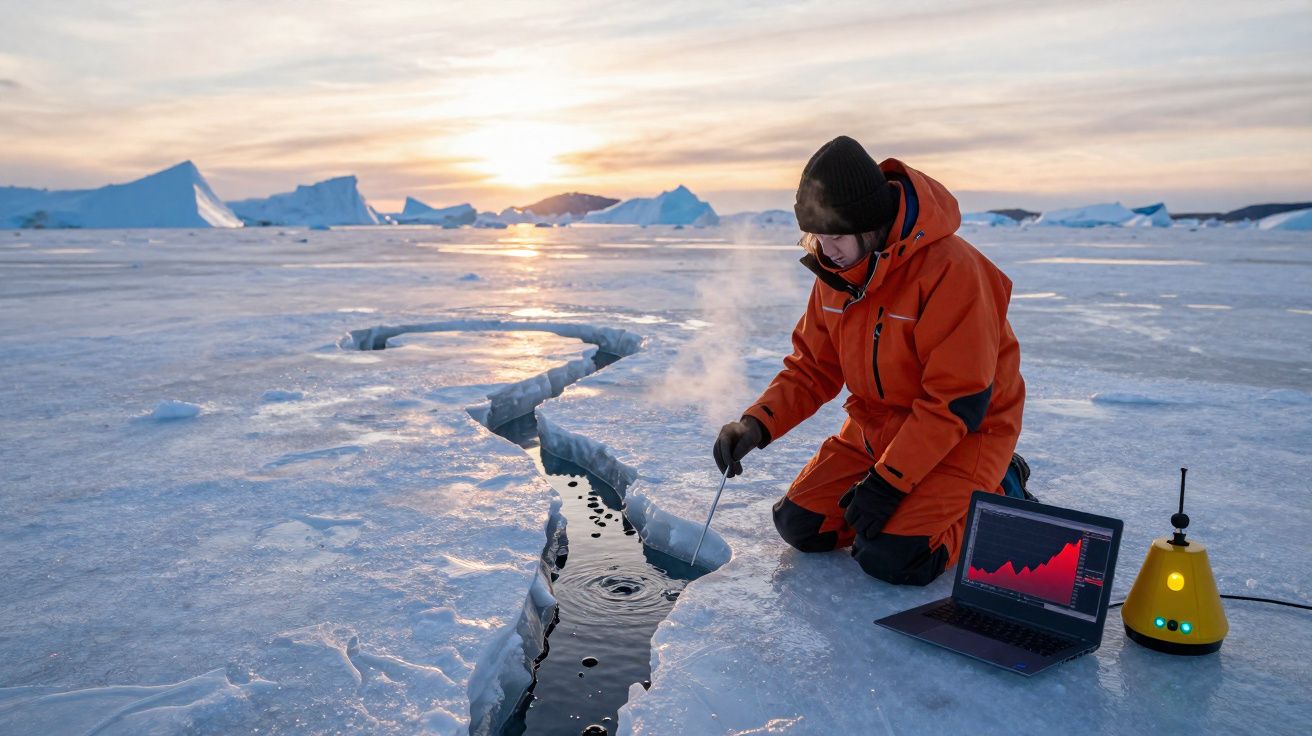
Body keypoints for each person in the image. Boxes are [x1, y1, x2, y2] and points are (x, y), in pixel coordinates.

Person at [713, 135, 1027, 586]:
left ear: (871, 224)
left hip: (965, 435)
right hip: (875, 431)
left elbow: (955, 401)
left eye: (835, 236)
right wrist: (756, 424)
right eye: (816, 236)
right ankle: (910, 496)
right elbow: (812, 368)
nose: (826, 249)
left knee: (895, 558)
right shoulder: (837, 275)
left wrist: (888, 482)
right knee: (802, 526)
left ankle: (1001, 487)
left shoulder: (952, 271)